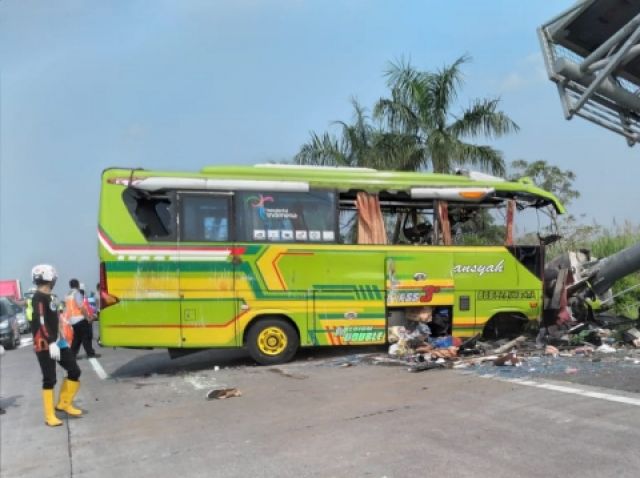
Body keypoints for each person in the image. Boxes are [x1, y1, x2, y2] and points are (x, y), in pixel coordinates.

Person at [30, 264, 83, 427]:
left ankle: (64, 403)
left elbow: (55, 319)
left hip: (58, 342)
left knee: (74, 370)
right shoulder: (38, 297)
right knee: (49, 379)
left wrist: (61, 337)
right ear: (49, 278)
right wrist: (51, 342)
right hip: (44, 344)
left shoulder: (51, 297)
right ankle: (49, 416)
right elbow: (41, 321)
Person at [66, 279, 99, 359]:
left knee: (77, 338)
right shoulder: (77, 293)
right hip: (80, 318)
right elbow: (81, 307)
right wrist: (88, 318)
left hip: (72, 319)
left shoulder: (68, 294)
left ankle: (72, 354)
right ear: (77, 285)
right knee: (86, 336)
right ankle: (90, 353)